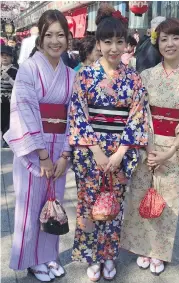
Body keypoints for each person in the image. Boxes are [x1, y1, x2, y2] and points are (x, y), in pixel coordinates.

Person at [121, 18, 179, 276]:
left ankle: (158, 252)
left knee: (166, 201)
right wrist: (148, 149)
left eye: (175, 38)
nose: (169, 43)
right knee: (140, 195)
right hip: (146, 147)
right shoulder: (146, 76)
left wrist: (170, 151)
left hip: (174, 148)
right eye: (164, 39)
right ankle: (141, 246)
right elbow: (138, 114)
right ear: (156, 43)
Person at [69, 4, 148, 281]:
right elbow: (78, 114)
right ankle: (92, 256)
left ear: (127, 44)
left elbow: (137, 118)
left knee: (114, 206)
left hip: (121, 153)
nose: (114, 48)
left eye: (119, 42)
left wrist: (120, 153)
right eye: (107, 42)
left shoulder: (134, 79)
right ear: (98, 44)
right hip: (90, 152)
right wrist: (97, 152)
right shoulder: (85, 76)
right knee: (89, 204)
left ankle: (109, 255)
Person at [3, 10, 76, 282]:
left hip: (60, 150)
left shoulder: (70, 75)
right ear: (40, 38)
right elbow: (23, 110)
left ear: (68, 38)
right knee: (31, 205)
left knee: (52, 204)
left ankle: (48, 256)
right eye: (49, 35)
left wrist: (65, 154)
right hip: (36, 149)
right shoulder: (29, 69)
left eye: (60, 35)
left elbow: (75, 115)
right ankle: (32, 260)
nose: (55, 41)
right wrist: (43, 155)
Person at [1, 45, 18, 147]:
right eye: (2, 55)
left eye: (7, 55)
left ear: (11, 58)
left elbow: (18, 85)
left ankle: (7, 140)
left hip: (9, 99)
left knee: (8, 120)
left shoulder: (15, 70)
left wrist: (9, 79)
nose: (4, 57)